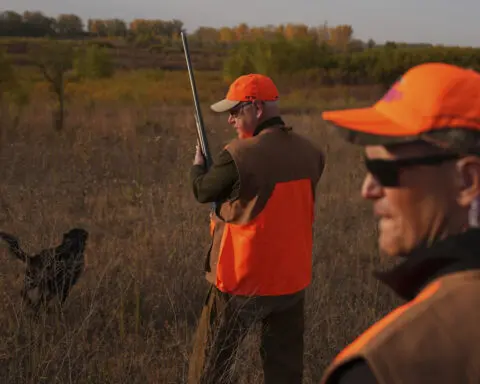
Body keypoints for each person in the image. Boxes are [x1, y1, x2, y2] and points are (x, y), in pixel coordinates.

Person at [319, 62, 480, 384]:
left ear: (467, 181)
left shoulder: (381, 367)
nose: (368, 189)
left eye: (387, 171)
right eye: (368, 166)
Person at [187, 73, 325, 384]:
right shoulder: (312, 152)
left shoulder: (239, 155)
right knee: (285, 373)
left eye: (235, 111)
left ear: (257, 108)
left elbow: (202, 191)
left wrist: (198, 164)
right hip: (291, 281)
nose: (230, 121)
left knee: (210, 369)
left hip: (242, 280)